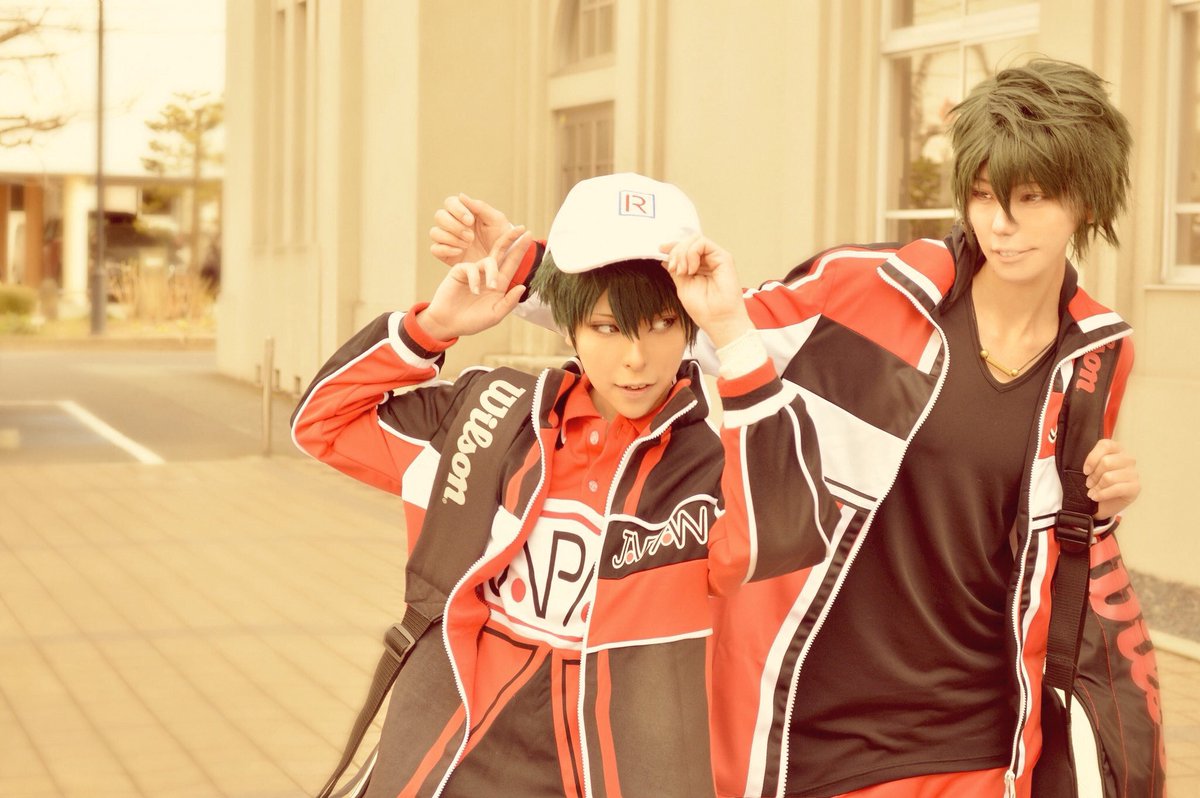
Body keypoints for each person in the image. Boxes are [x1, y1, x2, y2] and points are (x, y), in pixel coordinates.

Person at [428, 59, 1148, 797]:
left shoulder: (1096, 356)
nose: (1001, 225)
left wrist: (1098, 503)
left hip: (966, 737)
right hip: (805, 708)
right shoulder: (869, 292)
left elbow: (1031, 527)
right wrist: (530, 269)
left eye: (1031, 198)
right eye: (985, 195)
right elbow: (703, 324)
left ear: (1087, 200)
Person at [293, 172, 837, 797]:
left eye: (663, 324)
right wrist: (432, 327)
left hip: (617, 775)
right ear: (568, 323)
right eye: (607, 327)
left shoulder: (708, 472)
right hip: (445, 764)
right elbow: (322, 423)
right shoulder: (488, 418)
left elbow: (780, 542)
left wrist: (734, 335)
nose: (636, 358)